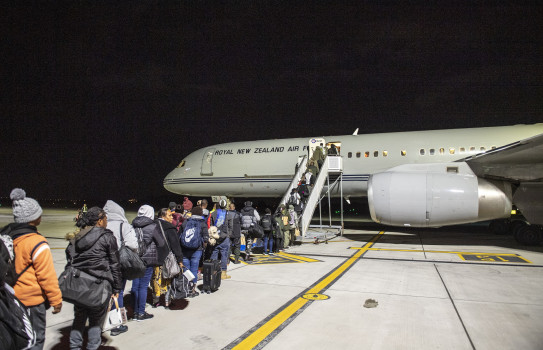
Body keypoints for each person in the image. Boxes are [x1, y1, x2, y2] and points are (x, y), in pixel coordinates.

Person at [1, 188, 62, 350]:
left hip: (9, 301)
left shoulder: (7, 236)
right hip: (31, 303)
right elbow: (46, 276)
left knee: (16, 340)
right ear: (33, 219)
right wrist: (56, 300)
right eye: (39, 213)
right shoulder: (37, 242)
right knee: (35, 340)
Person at [66, 206, 122, 350]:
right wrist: (117, 286)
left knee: (78, 319)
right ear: (99, 221)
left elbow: (70, 257)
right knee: (96, 321)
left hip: (79, 285)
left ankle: (75, 347)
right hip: (99, 285)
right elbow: (115, 264)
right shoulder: (107, 237)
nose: (107, 221)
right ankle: (92, 347)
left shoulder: (78, 236)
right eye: (105, 219)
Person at [103, 199, 138, 336]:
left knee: (106, 292)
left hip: (103, 264)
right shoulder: (123, 225)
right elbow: (133, 245)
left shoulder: (101, 225)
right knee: (118, 293)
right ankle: (116, 324)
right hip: (118, 263)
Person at [131, 205, 168, 321]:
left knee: (135, 285)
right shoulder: (153, 226)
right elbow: (161, 243)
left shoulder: (133, 224)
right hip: (148, 259)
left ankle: (134, 311)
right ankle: (141, 313)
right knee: (143, 286)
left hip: (135, 258)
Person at [152, 208, 184, 308]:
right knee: (168, 278)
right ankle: (167, 300)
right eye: (170, 215)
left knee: (156, 278)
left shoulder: (152, 225)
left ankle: (156, 300)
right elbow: (175, 245)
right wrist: (179, 259)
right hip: (166, 257)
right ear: (163, 216)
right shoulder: (170, 227)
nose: (172, 217)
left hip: (154, 257)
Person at [180, 206, 209, 297]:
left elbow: (180, 235)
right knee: (194, 269)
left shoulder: (186, 222)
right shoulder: (202, 223)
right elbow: (206, 238)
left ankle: (186, 288)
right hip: (197, 250)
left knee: (186, 270)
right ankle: (192, 290)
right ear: (201, 213)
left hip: (184, 249)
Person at [209, 200, 231, 279]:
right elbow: (230, 226)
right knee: (224, 255)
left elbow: (211, 225)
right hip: (225, 237)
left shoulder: (213, 213)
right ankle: (223, 273)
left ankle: (213, 271)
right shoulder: (228, 214)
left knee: (214, 253)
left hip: (216, 236)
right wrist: (228, 234)